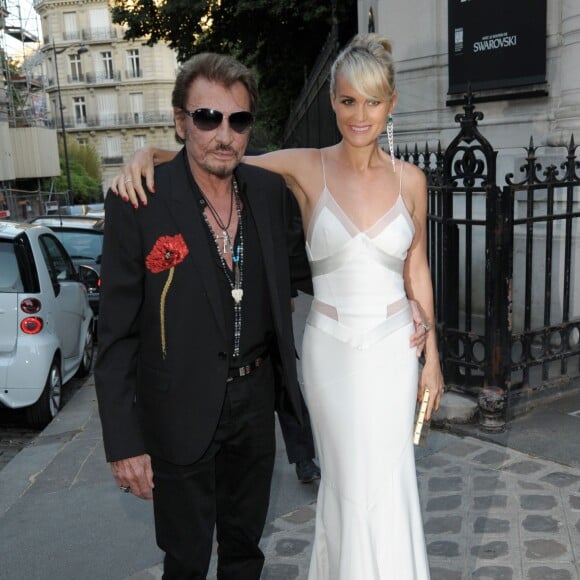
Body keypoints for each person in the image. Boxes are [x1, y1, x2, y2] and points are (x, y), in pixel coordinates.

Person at [113, 34, 443, 579]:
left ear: (392, 103)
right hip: (333, 357)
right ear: (333, 101)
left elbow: (418, 269)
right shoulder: (307, 167)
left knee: (391, 477)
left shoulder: (413, 181)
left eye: (373, 100)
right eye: (347, 100)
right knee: (350, 483)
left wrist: (432, 358)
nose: (360, 115)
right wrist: (148, 154)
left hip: (392, 355)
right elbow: (223, 155)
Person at [94, 53, 316, 580]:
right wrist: (125, 444)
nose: (224, 134)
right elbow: (116, 337)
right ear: (179, 121)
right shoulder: (139, 202)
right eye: (207, 118)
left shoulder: (267, 192)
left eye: (238, 120)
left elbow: (306, 275)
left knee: (245, 551)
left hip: (255, 401)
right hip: (177, 410)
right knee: (187, 559)